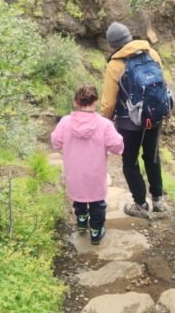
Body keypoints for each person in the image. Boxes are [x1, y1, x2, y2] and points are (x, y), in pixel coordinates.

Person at [100, 22, 168, 218]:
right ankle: (158, 200)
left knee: (130, 161)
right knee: (152, 157)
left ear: (113, 44)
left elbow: (109, 102)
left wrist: (104, 122)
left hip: (129, 123)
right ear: (129, 37)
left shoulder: (115, 65)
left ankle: (140, 204)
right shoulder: (152, 54)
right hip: (153, 117)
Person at [51, 84, 124, 244]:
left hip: (74, 172)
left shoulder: (65, 122)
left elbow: (55, 142)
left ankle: (82, 220)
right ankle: (96, 231)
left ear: (76, 102)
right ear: (96, 101)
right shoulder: (104, 125)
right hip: (95, 173)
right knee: (98, 202)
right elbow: (117, 147)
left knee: (79, 197)